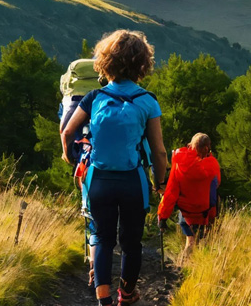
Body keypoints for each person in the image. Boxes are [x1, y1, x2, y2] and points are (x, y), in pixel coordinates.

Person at [61, 30, 168, 306]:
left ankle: (103, 301)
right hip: (133, 182)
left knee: (103, 239)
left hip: (99, 180)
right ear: (142, 64)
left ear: (106, 62)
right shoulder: (147, 101)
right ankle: (127, 295)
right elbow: (159, 151)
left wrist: (70, 157)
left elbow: (68, 132)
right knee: (132, 244)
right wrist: (160, 182)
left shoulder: (94, 97)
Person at [58, 58, 103, 286]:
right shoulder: (103, 95)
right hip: (110, 161)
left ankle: (94, 259)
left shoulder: (70, 96)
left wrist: (68, 155)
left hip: (85, 163)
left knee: (92, 214)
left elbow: (65, 131)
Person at [158, 133, 220, 256]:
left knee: (190, 242)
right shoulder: (212, 165)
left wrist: (162, 217)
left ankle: (183, 267)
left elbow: (170, 193)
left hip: (185, 215)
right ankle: (197, 271)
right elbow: (215, 189)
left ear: (189, 146)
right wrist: (213, 217)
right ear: (206, 149)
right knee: (203, 245)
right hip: (204, 214)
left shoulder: (178, 164)